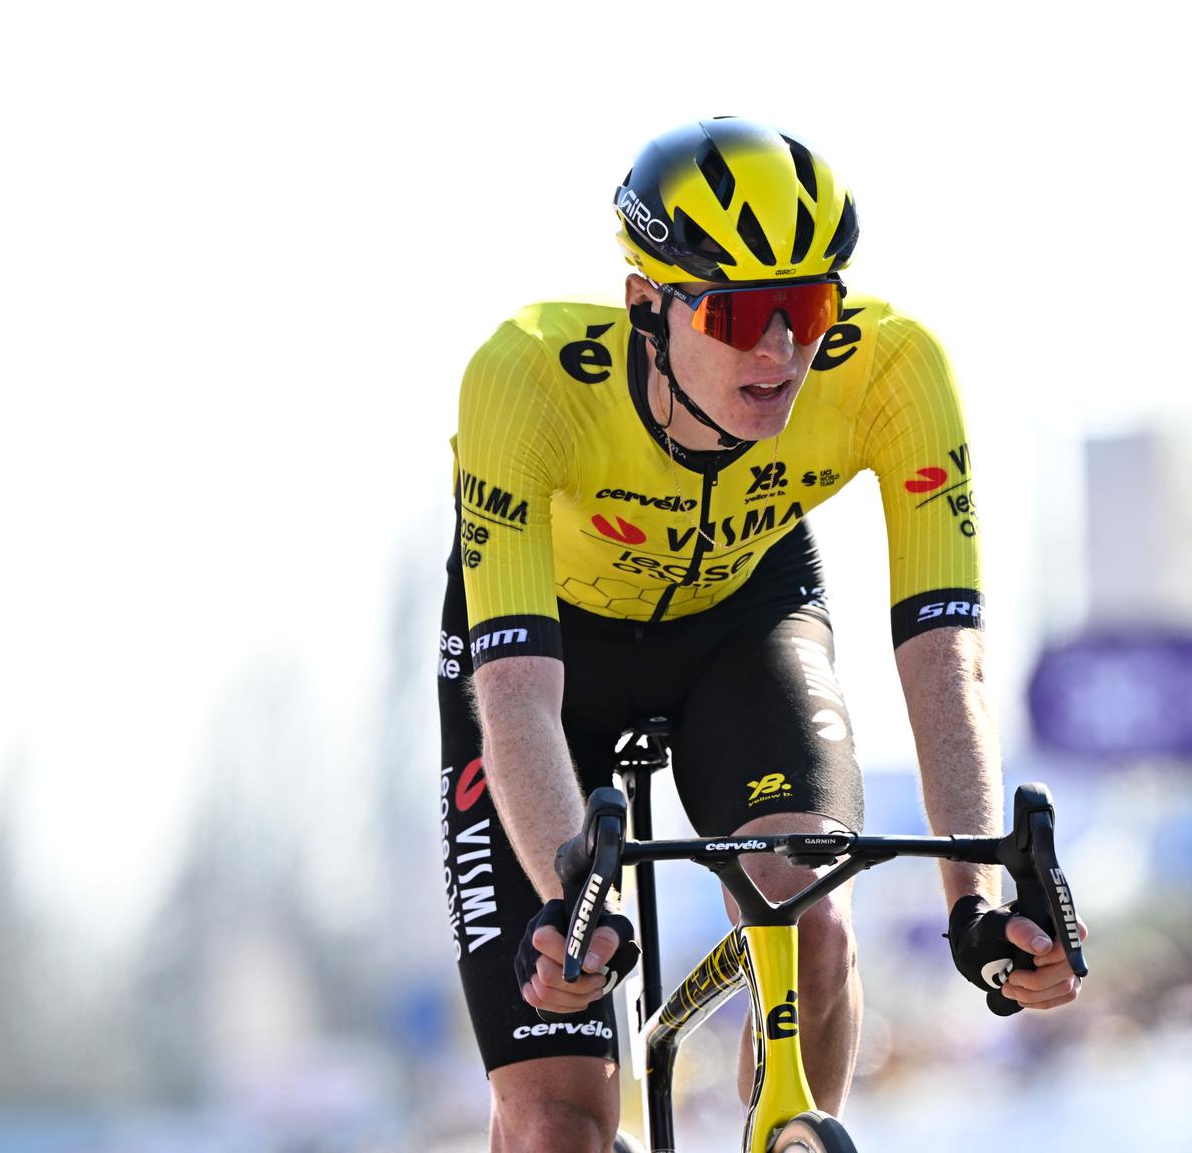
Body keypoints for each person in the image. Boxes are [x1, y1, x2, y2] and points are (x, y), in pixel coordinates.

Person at [437, 117, 1079, 1151]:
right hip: (552, 655)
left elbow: (943, 656)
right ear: (649, 303)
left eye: (808, 307)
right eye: (741, 314)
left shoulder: (894, 369)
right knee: (558, 1117)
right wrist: (575, 902)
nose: (783, 350)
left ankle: (785, 1124)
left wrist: (976, 901)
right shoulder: (525, 376)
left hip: (747, 619)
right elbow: (515, 696)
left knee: (808, 915)